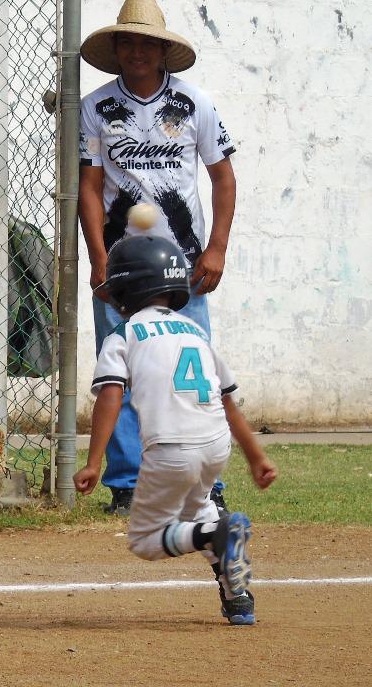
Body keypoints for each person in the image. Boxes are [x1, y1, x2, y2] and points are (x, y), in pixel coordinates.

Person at [78, 0, 239, 516]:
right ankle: (128, 485)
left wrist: (216, 248)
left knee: (191, 375)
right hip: (122, 269)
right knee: (121, 373)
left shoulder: (195, 104)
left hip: (185, 265)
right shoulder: (96, 108)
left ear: (164, 50)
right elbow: (89, 187)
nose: (137, 52)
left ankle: (205, 485)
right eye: (127, 42)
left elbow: (223, 178)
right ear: (116, 50)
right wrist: (98, 259)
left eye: (147, 43)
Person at [74, 234, 277, 625]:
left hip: (171, 449)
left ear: (124, 291)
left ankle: (213, 537)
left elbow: (111, 397)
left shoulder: (124, 334)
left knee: (146, 542)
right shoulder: (195, 332)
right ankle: (238, 597)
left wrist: (94, 462)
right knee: (202, 510)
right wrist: (257, 457)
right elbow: (228, 402)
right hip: (215, 446)